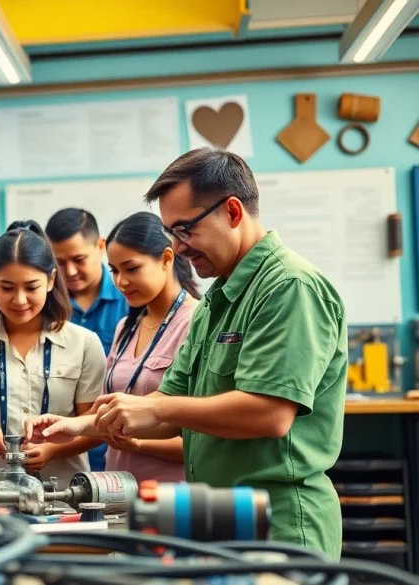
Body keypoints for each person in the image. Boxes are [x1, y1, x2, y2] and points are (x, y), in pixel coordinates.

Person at [30, 148, 347, 559]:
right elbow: (167, 401)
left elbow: (270, 414)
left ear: (232, 211)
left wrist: (159, 411)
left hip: (279, 522)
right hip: (217, 518)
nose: (178, 249)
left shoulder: (289, 287)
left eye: (185, 231)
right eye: (171, 234)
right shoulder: (218, 301)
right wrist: (82, 427)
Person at [25, 211, 199, 484]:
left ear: (166, 258)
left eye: (131, 269)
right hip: (115, 491)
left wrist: (140, 443)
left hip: (169, 497)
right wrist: (65, 425)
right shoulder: (126, 326)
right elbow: (106, 414)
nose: (121, 282)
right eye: (115, 271)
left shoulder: (196, 324)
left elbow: (205, 439)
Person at [0, 220, 106, 484]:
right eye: (7, 287)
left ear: (51, 280)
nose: (19, 300)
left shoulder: (84, 343)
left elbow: (92, 426)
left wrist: (54, 449)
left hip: (66, 495)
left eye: (31, 287)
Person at [45, 208, 128, 472]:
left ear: (100, 245)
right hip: (59, 461)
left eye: (78, 259)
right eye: (59, 262)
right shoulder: (42, 306)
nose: (69, 271)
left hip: (119, 452)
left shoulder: (131, 299)